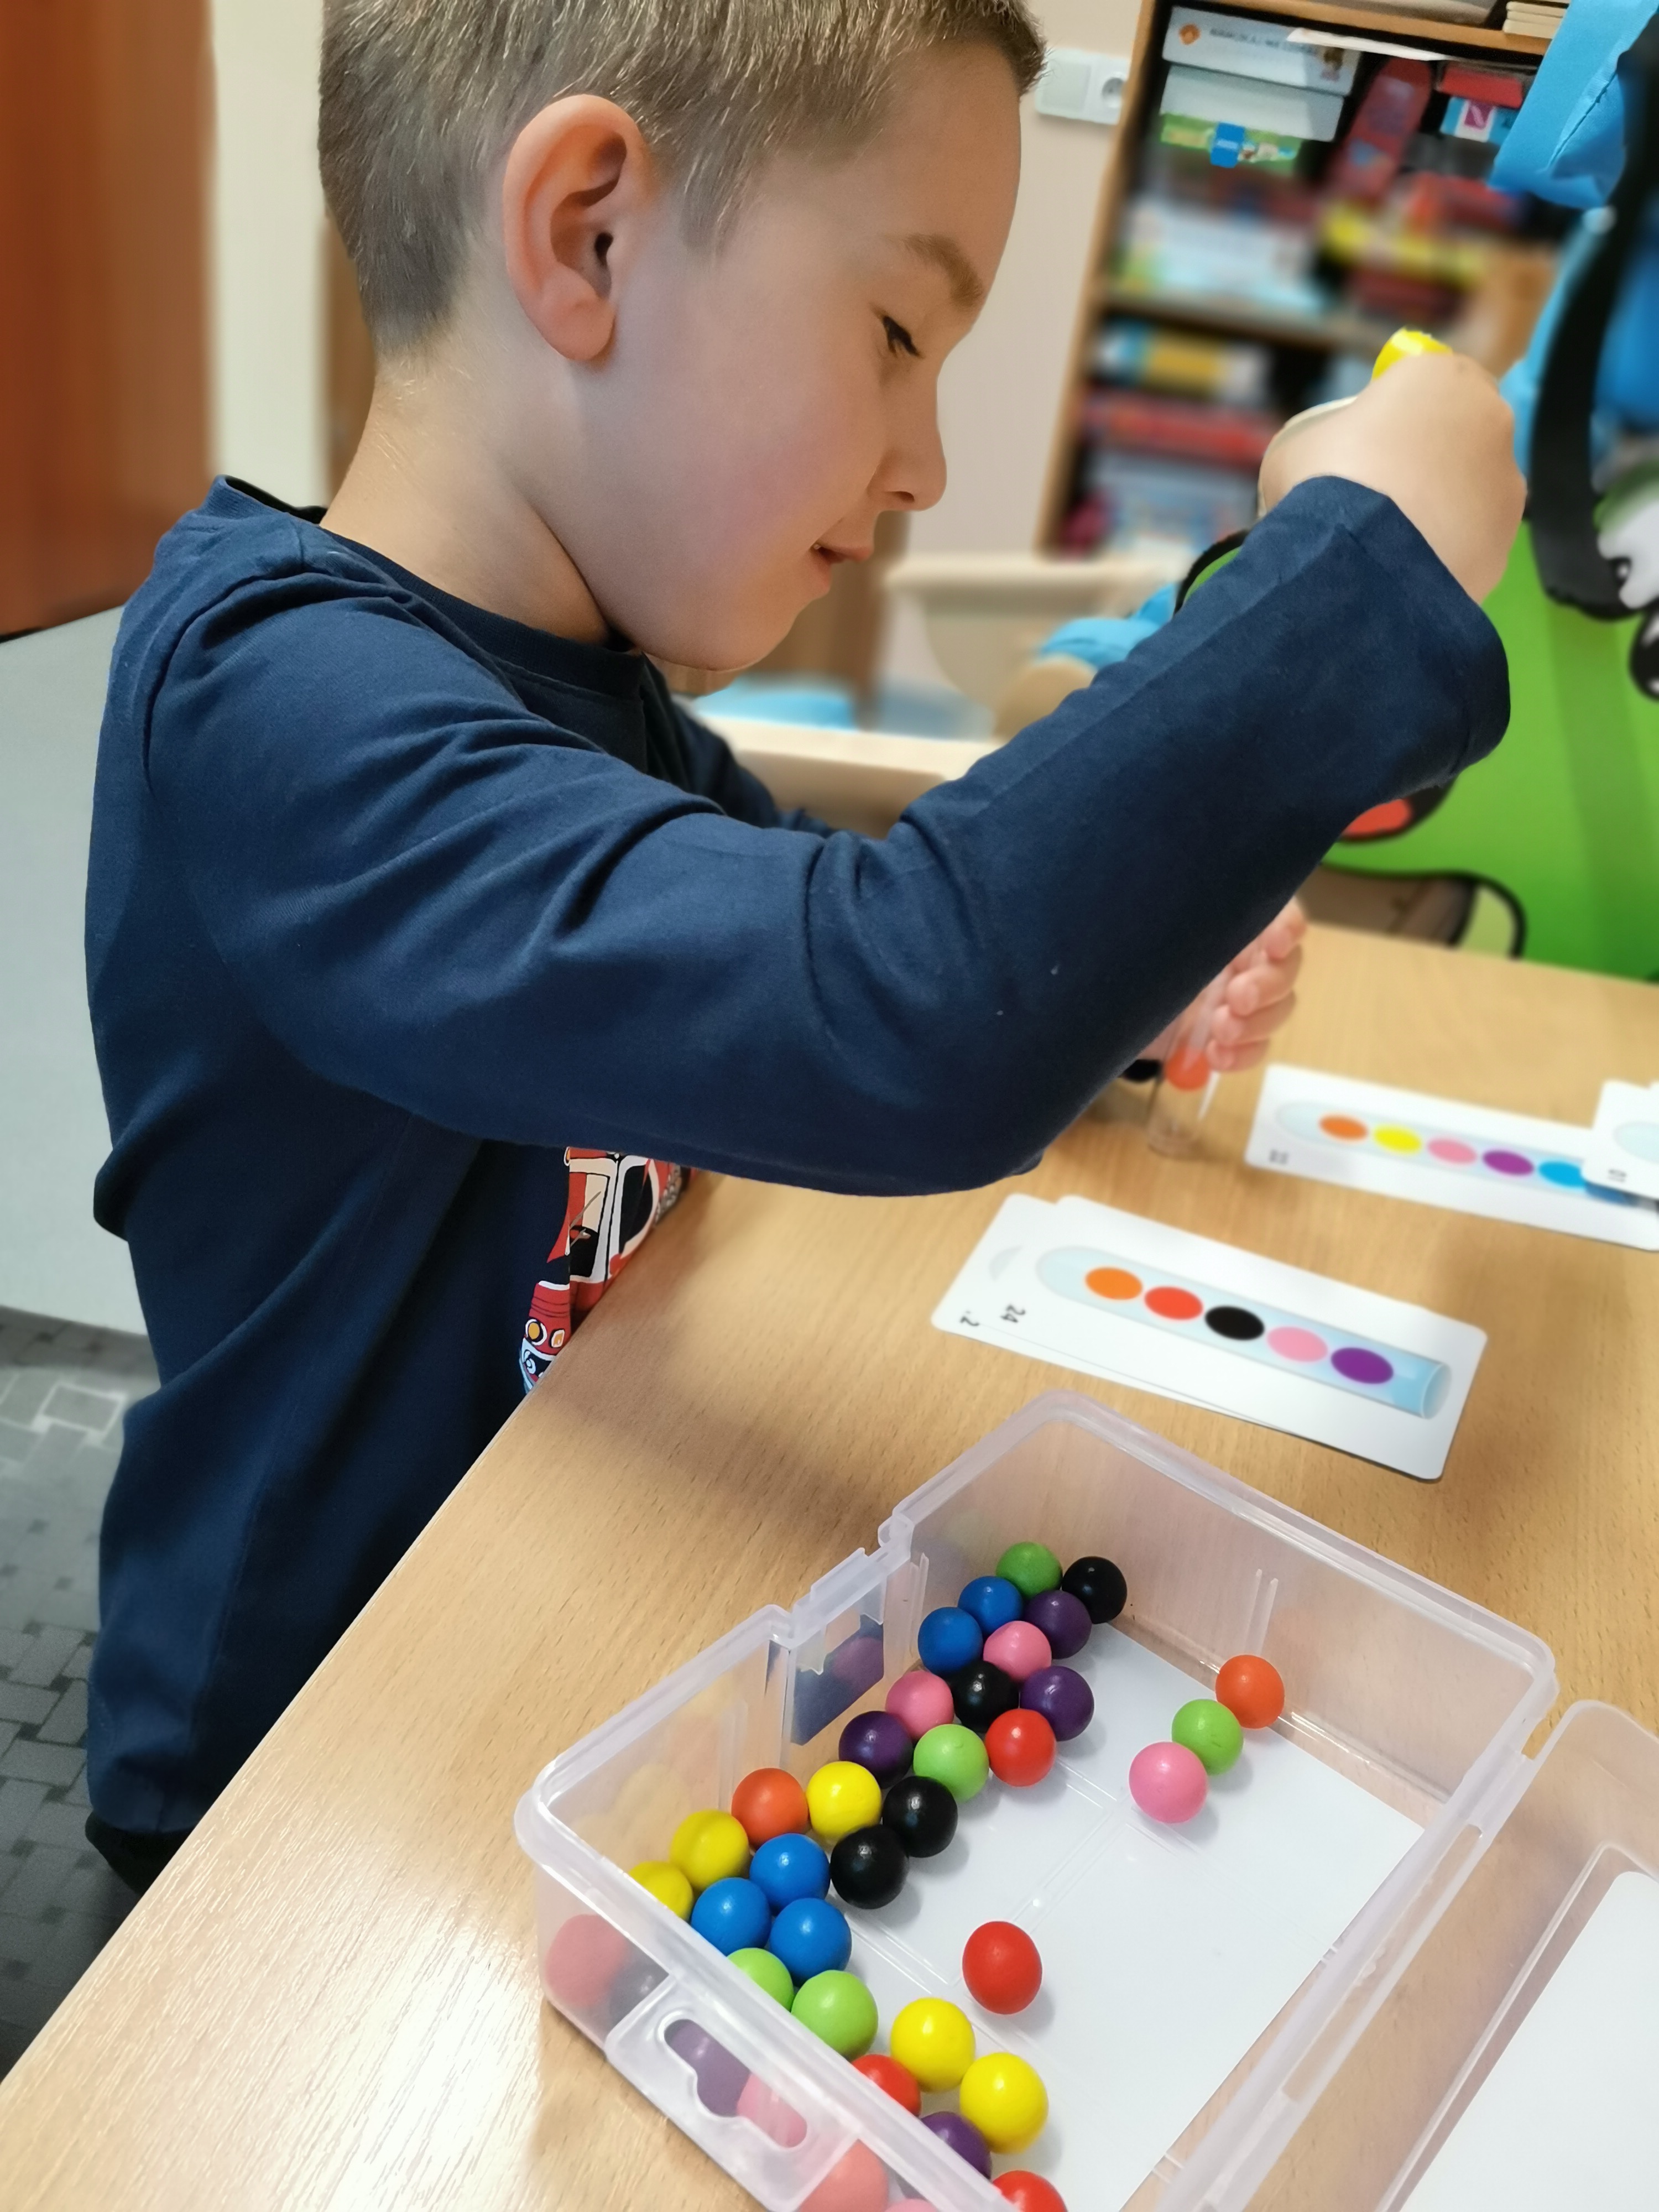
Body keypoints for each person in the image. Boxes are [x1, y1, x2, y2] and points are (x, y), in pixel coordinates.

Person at [84, 0, 1524, 1889]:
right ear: (591, 234)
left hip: (563, 1602)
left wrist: (1124, 996)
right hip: (297, 1757)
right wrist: (1364, 569)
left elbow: (798, 931)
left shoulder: (596, 693)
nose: (926, 464)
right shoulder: (276, 710)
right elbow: (895, 1009)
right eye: (901, 333)